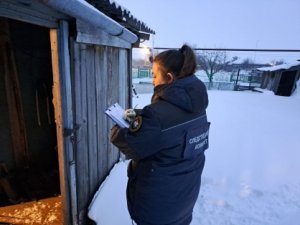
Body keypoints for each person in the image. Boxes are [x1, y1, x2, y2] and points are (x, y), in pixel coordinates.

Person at [110, 44, 210, 225]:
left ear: (169, 78)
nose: (153, 80)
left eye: (155, 75)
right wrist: (143, 118)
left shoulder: (157, 115)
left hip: (157, 207)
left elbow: (132, 147)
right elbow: (173, 128)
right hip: (184, 198)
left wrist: (119, 129)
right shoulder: (198, 107)